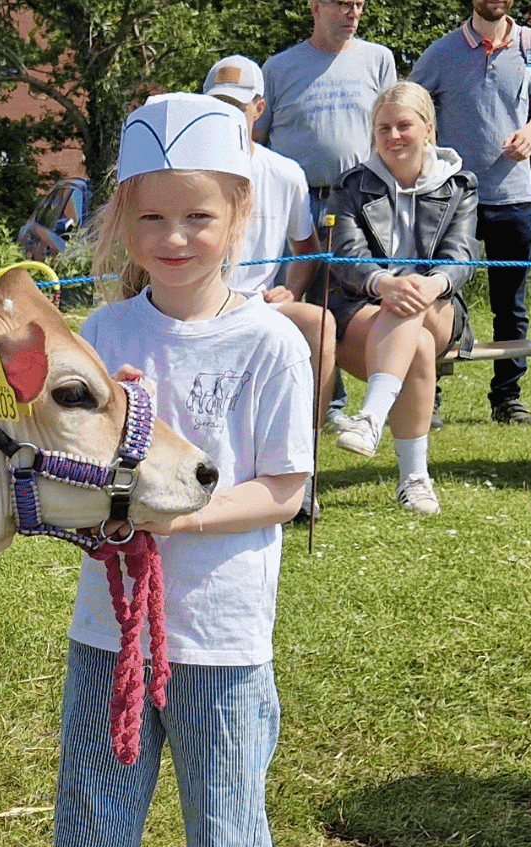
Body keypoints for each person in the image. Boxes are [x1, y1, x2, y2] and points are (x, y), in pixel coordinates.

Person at [52, 94, 312, 847]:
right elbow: (68, 467)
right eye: (152, 217)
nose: (172, 238)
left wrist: (164, 517)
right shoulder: (103, 332)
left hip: (223, 641)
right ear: (122, 217)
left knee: (228, 846)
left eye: (196, 218)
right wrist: (91, 513)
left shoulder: (268, 345)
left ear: (238, 218)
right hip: (106, 635)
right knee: (92, 838)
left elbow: (281, 490)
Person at [325, 82, 477, 516]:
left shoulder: (460, 184)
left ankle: (372, 415)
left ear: (428, 129)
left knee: (412, 300)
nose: (393, 136)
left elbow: (463, 255)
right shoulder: (351, 185)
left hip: (438, 306)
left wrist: (431, 284)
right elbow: (344, 255)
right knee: (419, 346)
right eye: (383, 128)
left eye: (404, 126)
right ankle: (415, 478)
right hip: (364, 306)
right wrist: (382, 283)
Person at [409, 0, 531, 426]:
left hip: (514, 197)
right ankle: (428, 395)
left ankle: (507, 398)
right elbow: (413, 108)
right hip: (453, 200)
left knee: (511, 304)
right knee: (438, 296)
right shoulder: (441, 52)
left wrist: (529, 133)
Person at [204, 54, 332, 517]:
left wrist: (292, 291)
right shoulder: (187, 171)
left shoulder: (285, 173)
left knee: (321, 325)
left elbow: (308, 248)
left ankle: (302, 466)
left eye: (236, 107)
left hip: (259, 304)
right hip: (194, 305)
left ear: (259, 108)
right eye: (215, 105)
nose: (226, 116)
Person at [257, 0, 394, 429]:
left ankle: (366, 401)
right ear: (315, 6)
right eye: (341, 3)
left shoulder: (379, 60)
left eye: (359, 4)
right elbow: (257, 140)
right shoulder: (278, 69)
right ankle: (309, 402)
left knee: (352, 299)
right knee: (295, 297)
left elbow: (393, 125)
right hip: (297, 202)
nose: (352, 12)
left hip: (357, 202)